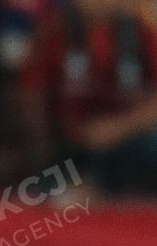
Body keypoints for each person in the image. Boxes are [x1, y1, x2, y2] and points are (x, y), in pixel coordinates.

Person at [20, 0, 157, 194]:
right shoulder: (54, 30)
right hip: (74, 147)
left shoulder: (141, 30)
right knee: (46, 190)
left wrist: (117, 128)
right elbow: (32, 93)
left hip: (131, 145)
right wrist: (43, 146)